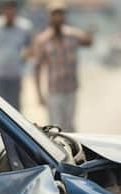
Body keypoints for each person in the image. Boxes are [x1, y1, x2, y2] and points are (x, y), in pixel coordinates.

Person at [33, 0, 92, 132]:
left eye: (61, 14)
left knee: (70, 125)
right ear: (50, 17)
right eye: (55, 14)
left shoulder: (72, 35)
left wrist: (90, 29)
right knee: (56, 126)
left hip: (71, 87)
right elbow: (37, 67)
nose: (58, 17)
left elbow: (88, 42)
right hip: (54, 90)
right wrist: (39, 94)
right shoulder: (43, 39)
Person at [0, 0, 33, 110]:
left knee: (14, 109)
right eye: (7, 8)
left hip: (14, 75)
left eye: (12, 8)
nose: (10, 12)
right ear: (3, 10)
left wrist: (25, 57)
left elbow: (30, 48)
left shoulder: (25, 27)